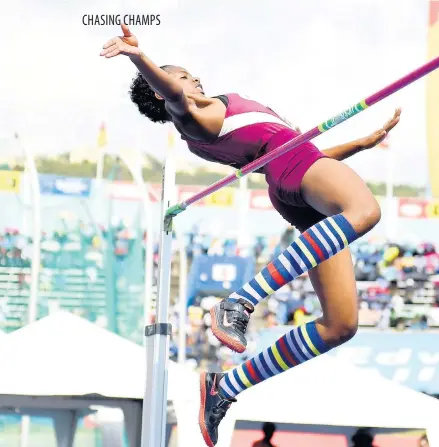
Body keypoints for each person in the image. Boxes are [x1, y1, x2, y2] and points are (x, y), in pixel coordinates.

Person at [101, 25, 401, 447]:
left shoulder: (215, 114)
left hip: (294, 176)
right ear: (162, 93)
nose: (194, 79)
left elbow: (303, 154)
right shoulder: (194, 119)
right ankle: (241, 300)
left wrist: (361, 144)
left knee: (340, 325)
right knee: (365, 211)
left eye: (190, 74)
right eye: (184, 77)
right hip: (294, 173)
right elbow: (172, 93)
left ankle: (225, 388)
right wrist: (139, 57)